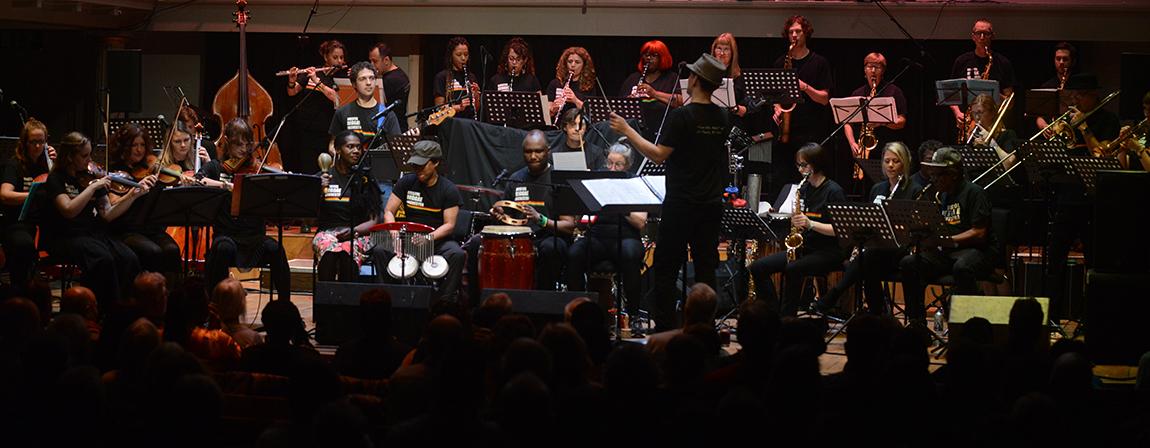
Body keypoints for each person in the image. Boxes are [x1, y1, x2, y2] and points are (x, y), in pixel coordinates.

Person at [609, 54, 731, 332]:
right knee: (705, 269)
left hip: (681, 203)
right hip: (710, 204)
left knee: (665, 269)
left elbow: (658, 155)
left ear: (697, 80)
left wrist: (627, 129)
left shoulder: (682, 116)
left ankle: (665, 331)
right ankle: (703, 329)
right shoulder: (723, 117)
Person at [42, 132, 152, 311]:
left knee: (129, 257)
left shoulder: (90, 177)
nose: (89, 160)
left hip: (92, 233)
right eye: (84, 156)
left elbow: (108, 214)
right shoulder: (57, 178)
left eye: (90, 155)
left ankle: (128, 308)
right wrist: (93, 187)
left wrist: (132, 195)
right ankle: (105, 309)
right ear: (70, 157)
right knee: (103, 260)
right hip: (66, 235)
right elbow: (68, 210)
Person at [815, 142, 922, 315]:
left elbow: (914, 226)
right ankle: (878, 313)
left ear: (904, 163)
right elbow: (868, 220)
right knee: (867, 263)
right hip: (878, 247)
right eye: (887, 161)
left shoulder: (914, 189)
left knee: (867, 261)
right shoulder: (878, 188)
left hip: (901, 248)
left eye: (896, 161)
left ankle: (835, 296)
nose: (891, 165)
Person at [749, 143, 846, 317]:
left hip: (829, 250)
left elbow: (840, 230)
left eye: (804, 165)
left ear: (816, 164)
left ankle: (788, 318)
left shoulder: (833, 191)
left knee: (793, 268)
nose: (800, 169)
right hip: (806, 247)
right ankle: (773, 313)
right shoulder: (804, 188)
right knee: (758, 267)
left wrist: (810, 224)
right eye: (798, 165)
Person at [899, 147, 993, 327]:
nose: (933, 179)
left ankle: (968, 325)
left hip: (977, 251)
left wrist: (947, 240)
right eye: (932, 174)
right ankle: (917, 323)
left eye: (938, 175)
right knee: (910, 263)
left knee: (962, 267)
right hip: (949, 252)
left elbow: (979, 233)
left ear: (954, 174)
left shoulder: (974, 192)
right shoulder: (942, 195)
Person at [200, 118, 291, 302]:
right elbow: (200, 180)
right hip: (227, 235)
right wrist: (227, 186)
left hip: (254, 236)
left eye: (247, 144)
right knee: (222, 248)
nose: (243, 149)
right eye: (238, 144)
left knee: (276, 249)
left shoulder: (256, 168)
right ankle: (215, 305)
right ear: (227, 143)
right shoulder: (216, 167)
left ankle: (284, 304)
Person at [565, 140, 647, 320]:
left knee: (630, 254)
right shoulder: (599, 181)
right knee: (574, 253)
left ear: (628, 165)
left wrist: (616, 203)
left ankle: (633, 315)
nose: (612, 168)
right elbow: (582, 220)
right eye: (609, 163)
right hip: (598, 236)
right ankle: (578, 311)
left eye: (618, 164)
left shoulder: (635, 182)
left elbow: (640, 222)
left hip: (626, 237)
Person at [383, 140, 466, 302]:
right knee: (381, 250)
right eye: (415, 165)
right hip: (408, 237)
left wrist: (428, 238)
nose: (417, 169)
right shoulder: (406, 182)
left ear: (435, 163)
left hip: (436, 240)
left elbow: (449, 225)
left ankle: (444, 301)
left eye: (422, 165)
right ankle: (388, 299)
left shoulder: (448, 189)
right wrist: (394, 236)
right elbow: (388, 211)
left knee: (457, 254)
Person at [107, 123, 181, 275]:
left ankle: (170, 295)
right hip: (126, 230)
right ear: (124, 147)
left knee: (172, 250)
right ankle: (147, 293)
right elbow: (113, 204)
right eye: (134, 145)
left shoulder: (150, 167)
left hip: (151, 228)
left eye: (142, 145)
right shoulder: (117, 172)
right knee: (152, 251)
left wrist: (179, 181)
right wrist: (134, 192)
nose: (139, 149)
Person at [313, 130, 386, 282]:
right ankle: (326, 299)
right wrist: (317, 191)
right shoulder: (323, 177)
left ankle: (347, 301)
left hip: (359, 233)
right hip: (328, 232)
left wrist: (354, 231)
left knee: (347, 251)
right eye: (350, 147)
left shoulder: (366, 179)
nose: (356, 151)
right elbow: (308, 216)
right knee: (329, 250)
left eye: (359, 147)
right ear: (338, 150)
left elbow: (375, 219)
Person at [774, 16, 834, 184]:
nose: (794, 35)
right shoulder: (781, 62)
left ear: (806, 33)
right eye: (791, 32)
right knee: (783, 177)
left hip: (810, 131)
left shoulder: (819, 62)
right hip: (786, 131)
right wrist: (777, 108)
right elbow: (774, 96)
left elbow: (824, 99)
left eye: (798, 31)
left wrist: (805, 87)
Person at [0, 118, 54, 290]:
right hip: (19, 222)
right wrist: (32, 195)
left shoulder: (48, 164)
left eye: (41, 142)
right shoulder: (14, 164)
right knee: (23, 245)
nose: (38, 147)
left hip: (45, 222)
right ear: (24, 143)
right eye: (33, 142)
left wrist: (56, 164)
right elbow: (5, 195)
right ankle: (21, 291)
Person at [285, 39, 345, 173]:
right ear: (325, 57)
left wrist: (317, 82)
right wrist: (291, 81)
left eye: (341, 57)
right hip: (306, 132)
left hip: (326, 134)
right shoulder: (313, 73)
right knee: (308, 169)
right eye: (335, 57)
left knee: (324, 172)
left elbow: (336, 98)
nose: (339, 61)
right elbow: (292, 92)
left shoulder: (341, 78)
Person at [950, 19, 1015, 139]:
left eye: (986, 34)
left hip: (993, 123)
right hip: (968, 121)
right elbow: (951, 95)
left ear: (992, 36)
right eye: (978, 33)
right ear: (973, 36)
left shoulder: (1003, 63)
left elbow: (1009, 102)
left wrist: (993, 93)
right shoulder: (962, 61)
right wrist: (957, 113)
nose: (982, 37)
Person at [843, 53, 908, 166]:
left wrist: (882, 123)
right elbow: (847, 123)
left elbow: (902, 121)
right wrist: (852, 143)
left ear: (883, 71)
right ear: (864, 70)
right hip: (863, 148)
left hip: (888, 148)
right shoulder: (857, 93)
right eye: (869, 66)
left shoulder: (894, 91)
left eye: (877, 67)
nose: (873, 70)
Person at [329, 61, 401, 152]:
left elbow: (397, 147)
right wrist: (336, 153)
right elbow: (333, 143)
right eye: (362, 79)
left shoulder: (387, 115)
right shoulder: (342, 112)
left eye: (372, 78)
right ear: (354, 84)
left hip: (377, 165)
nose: (368, 83)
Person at [619, 40, 681, 140]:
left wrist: (654, 93)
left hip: (662, 132)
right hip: (635, 132)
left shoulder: (671, 78)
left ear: (662, 58)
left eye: (654, 55)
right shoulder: (633, 78)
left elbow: (680, 102)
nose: (648, 58)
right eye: (646, 55)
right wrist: (629, 101)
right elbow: (619, 105)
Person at [433, 36, 481, 120]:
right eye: (459, 55)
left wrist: (476, 96)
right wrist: (459, 107)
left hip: (468, 124)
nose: (463, 58)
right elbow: (439, 109)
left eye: (466, 55)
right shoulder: (442, 77)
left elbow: (476, 109)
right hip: (451, 125)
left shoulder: (471, 77)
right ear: (451, 56)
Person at [547, 47, 601, 119]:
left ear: (584, 65)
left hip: (580, 126)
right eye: (570, 61)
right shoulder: (555, 83)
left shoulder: (589, 85)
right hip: (558, 126)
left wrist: (575, 100)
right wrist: (554, 108)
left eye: (577, 62)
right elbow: (547, 114)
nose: (573, 65)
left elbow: (592, 113)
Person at [369, 42, 412, 133]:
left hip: (391, 129)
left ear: (386, 60)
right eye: (371, 61)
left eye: (375, 61)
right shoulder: (400, 73)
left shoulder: (389, 80)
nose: (371, 65)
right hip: (401, 124)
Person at [1035, 42, 1076, 132]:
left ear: (1072, 61)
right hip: (1053, 131)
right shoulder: (1047, 86)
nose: (1061, 62)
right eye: (1058, 59)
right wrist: (1044, 126)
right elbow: (1039, 116)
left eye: (1065, 59)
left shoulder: (1078, 85)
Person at [1116, 91, 1150, 171]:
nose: (1146, 114)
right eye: (1145, 108)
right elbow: (1123, 168)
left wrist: (1139, 149)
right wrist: (1122, 146)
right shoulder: (1142, 131)